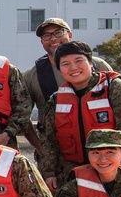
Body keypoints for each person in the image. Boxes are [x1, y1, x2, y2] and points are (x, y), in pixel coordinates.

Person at [39, 40, 121, 190]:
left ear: (90, 63)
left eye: (78, 61)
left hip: (113, 168)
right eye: (66, 64)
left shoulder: (114, 87)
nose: (73, 68)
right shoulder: (56, 100)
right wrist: (49, 173)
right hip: (72, 173)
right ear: (60, 69)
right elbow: (49, 140)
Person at [22, 18, 112, 153]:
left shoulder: (98, 66)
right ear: (42, 42)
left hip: (101, 147)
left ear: (69, 35)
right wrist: (40, 147)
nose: (53, 39)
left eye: (58, 32)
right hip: (55, 150)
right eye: (47, 35)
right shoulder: (31, 76)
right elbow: (22, 115)